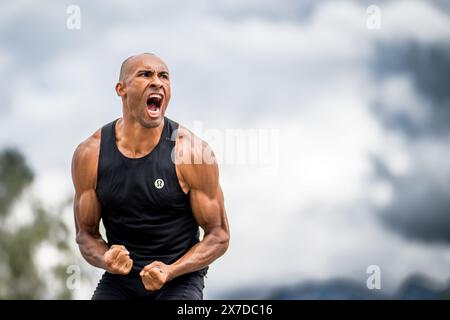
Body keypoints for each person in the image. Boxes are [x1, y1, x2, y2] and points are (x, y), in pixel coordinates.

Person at [71, 53, 230, 300]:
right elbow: (85, 235)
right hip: (121, 281)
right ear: (121, 89)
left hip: (179, 279)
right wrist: (106, 258)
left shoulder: (192, 153)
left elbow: (219, 235)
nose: (157, 82)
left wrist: (170, 270)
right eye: (145, 74)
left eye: (164, 76)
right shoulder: (89, 155)